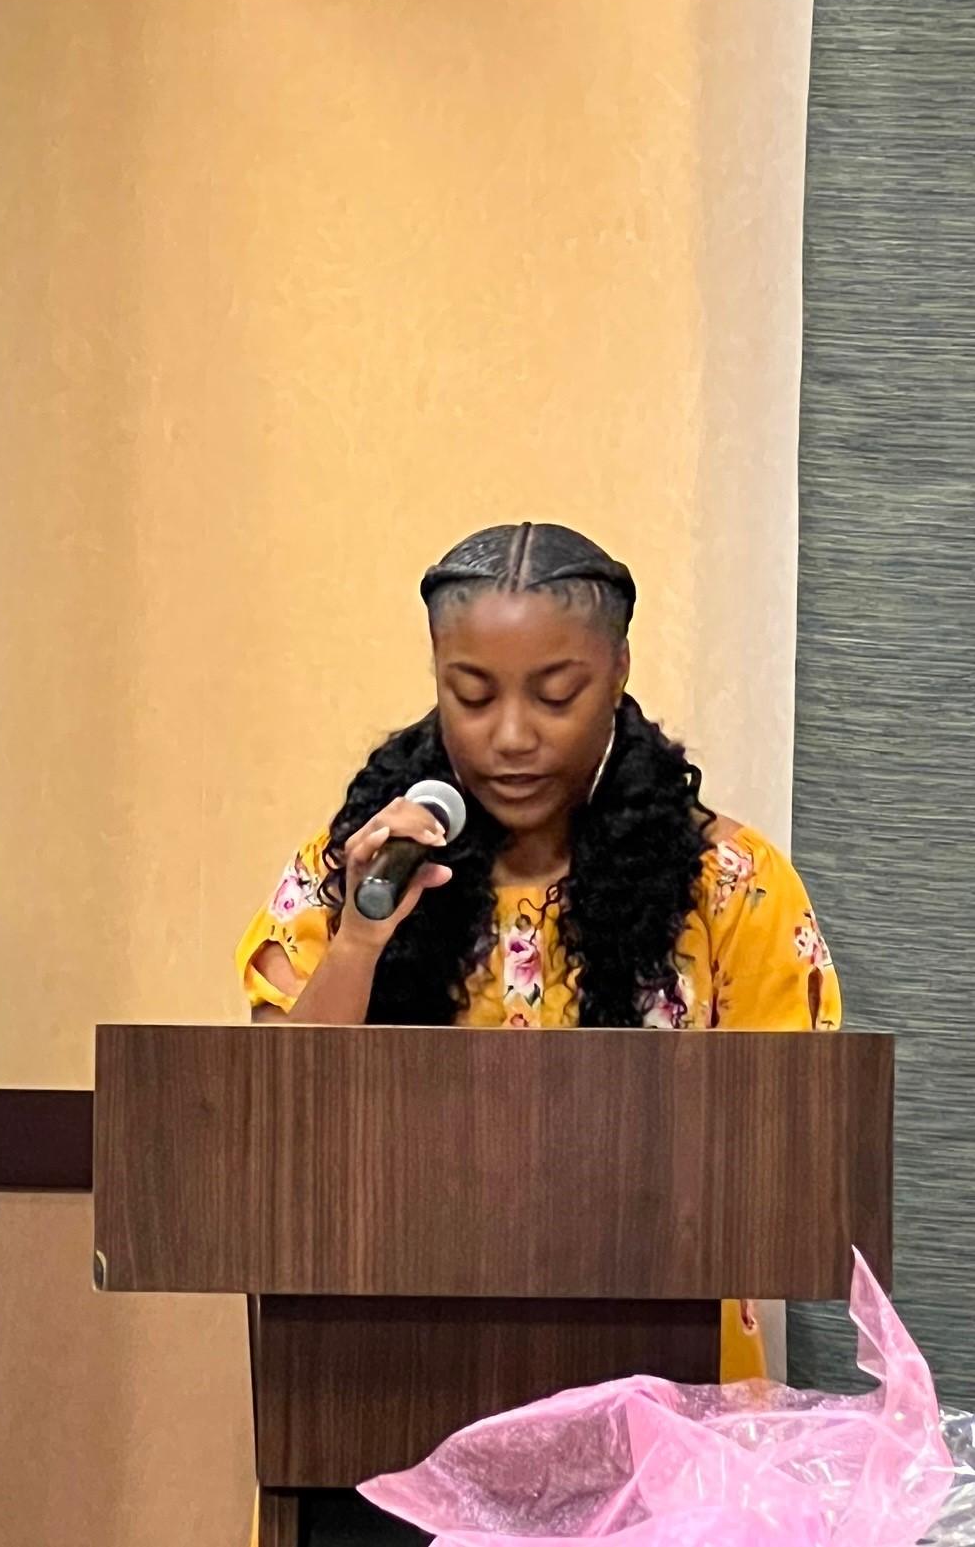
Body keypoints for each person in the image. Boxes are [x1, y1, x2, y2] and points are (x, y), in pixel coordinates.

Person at [236, 521, 841, 1391]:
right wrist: (362, 937)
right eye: (472, 696)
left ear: (618, 672)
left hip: (660, 1384)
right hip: (389, 1373)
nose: (511, 736)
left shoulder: (731, 885)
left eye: (555, 696)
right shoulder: (356, 872)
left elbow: (787, 1157)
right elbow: (275, 1132)